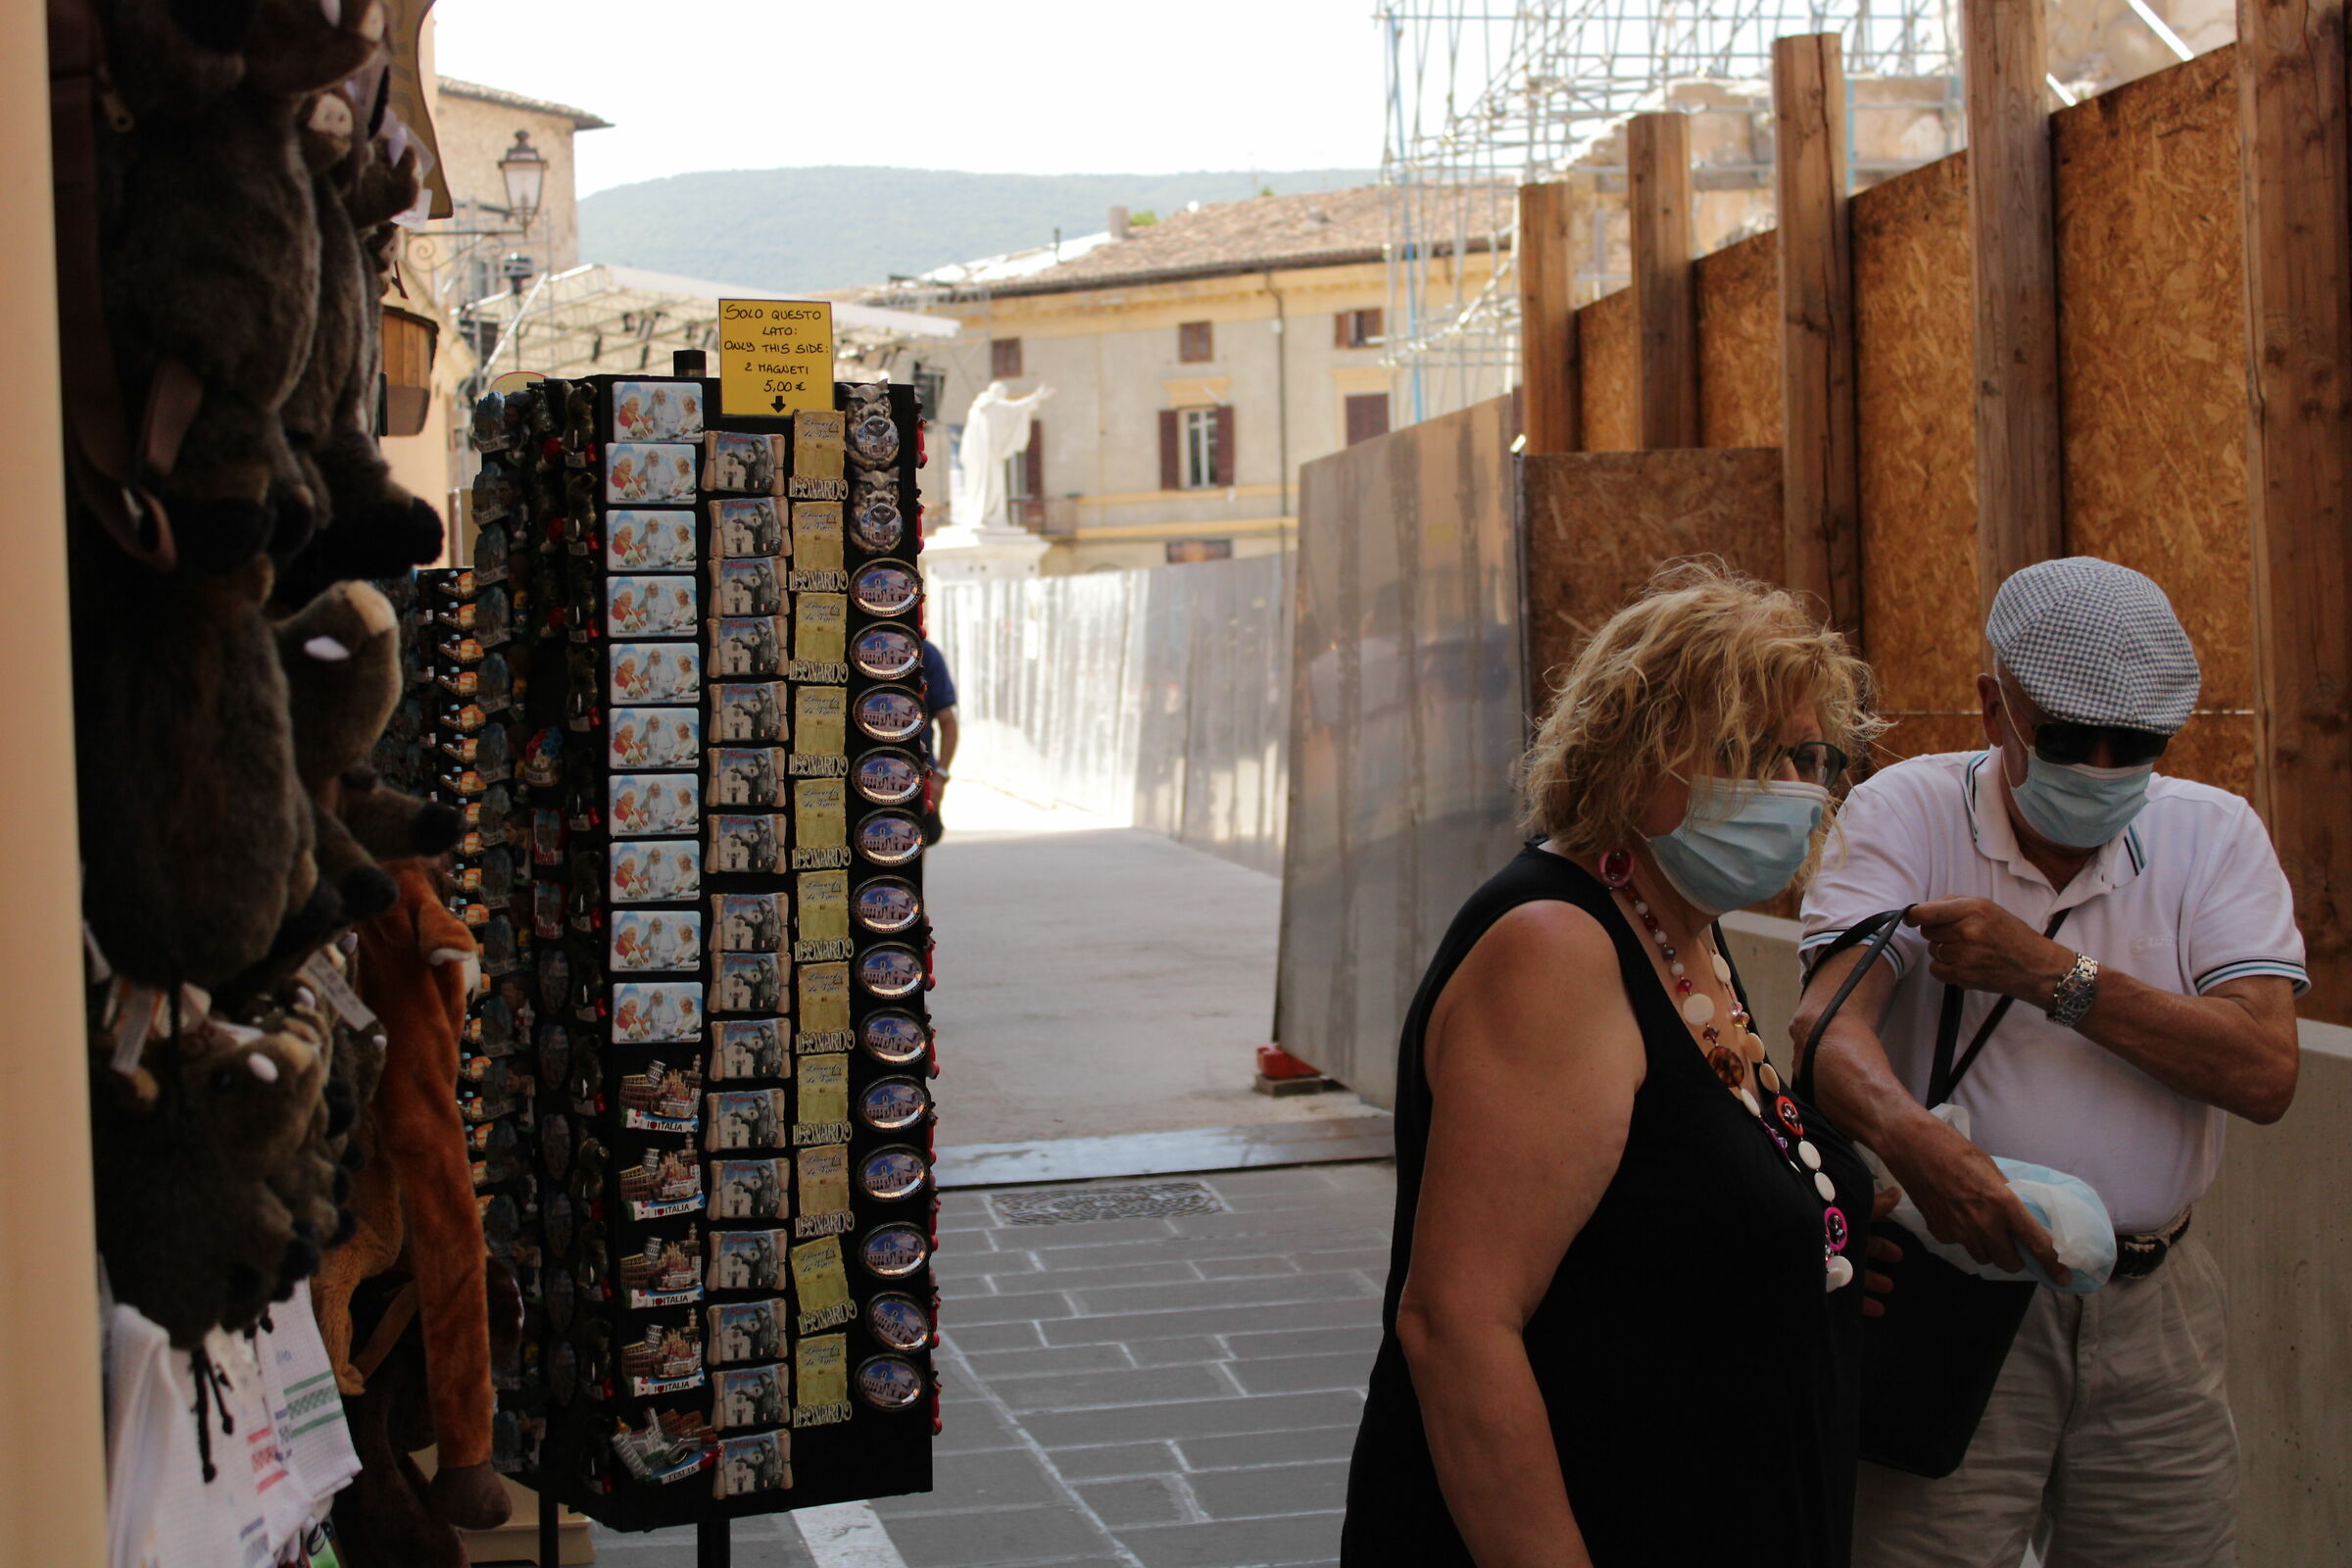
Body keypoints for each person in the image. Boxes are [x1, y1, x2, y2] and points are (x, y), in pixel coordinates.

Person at [1343, 564, 1895, 1568]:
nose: (1793, 789)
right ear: (1631, 747)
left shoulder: (1680, 934)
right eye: (1746, 750)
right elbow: (1456, 1325)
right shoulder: (1555, 948)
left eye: (1814, 757)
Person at [1792, 557, 2304, 1568]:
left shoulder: (2213, 836)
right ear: (1995, 708)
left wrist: (2051, 975)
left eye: (2141, 745)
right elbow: (1827, 1029)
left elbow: (2264, 1071)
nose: (2106, 768)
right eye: (2071, 741)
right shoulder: (1909, 813)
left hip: (2155, 1308)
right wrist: (1914, 1143)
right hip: (1957, 1289)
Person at [919, 637, 959, 845]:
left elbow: (948, 722)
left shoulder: (926, 654)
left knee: (914, 848)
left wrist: (940, 776)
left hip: (918, 779)